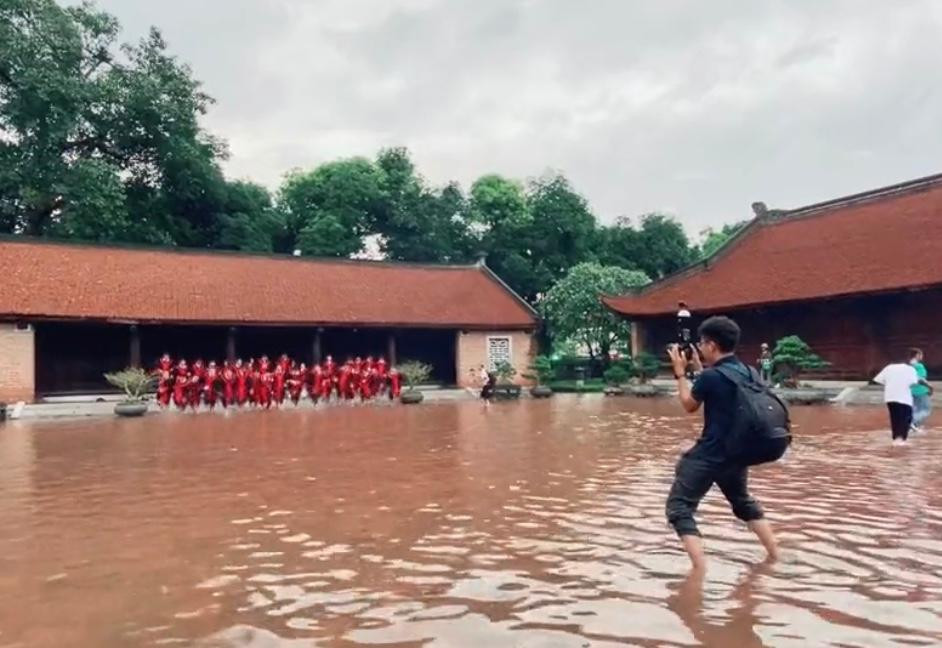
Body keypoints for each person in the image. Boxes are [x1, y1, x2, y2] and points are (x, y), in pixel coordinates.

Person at [665, 315, 779, 571]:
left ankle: (699, 572)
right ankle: (774, 556)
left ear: (712, 346)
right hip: (738, 455)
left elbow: (688, 405)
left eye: (703, 344)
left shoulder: (710, 377)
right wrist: (699, 369)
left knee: (679, 507)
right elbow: (722, 388)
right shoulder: (750, 372)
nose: (700, 348)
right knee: (742, 502)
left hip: (709, 455)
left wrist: (680, 374)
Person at [872, 353, 930, 445]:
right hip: (904, 399)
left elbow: (878, 380)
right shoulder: (910, 369)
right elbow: (916, 381)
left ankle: (896, 439)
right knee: (906, 418)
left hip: (890, 398)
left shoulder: (889, 367)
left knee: (895, 418)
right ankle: (902, 440)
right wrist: (929, 387)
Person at [910, 348, 933, 433]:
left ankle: (913, 426)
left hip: (911, 391)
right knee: (926, 410)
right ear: (917, 355)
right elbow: (920, 379)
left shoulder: (908, 365)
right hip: (921, 390)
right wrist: (930, 387)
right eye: (921, 355)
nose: (922, 357)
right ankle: (911, 423)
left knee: (915, 409)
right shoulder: (919, 366)